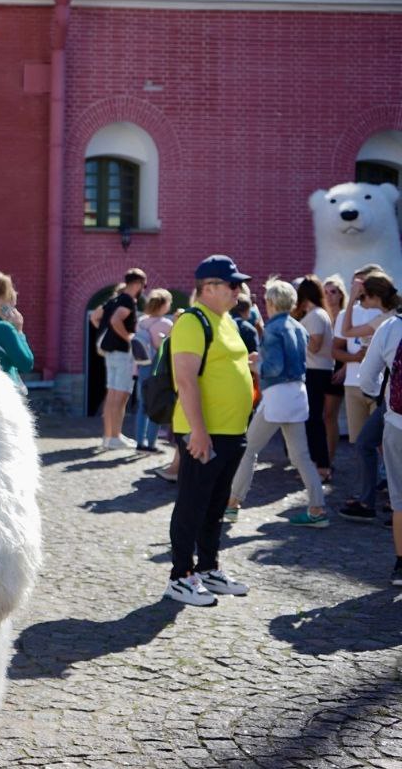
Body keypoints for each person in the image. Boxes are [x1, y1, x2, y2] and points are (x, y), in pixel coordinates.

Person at [163, 255, 255, 607]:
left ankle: (208, 567)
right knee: (192, 504)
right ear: (210, 288)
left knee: (216, 505)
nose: (240, 290)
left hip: (232, 431)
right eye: (234, 284)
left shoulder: (226, 320)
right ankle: (181, 576)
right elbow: (185, 380)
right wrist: (198, 431)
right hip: (206, 432)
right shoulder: (192, 321)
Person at [227, 278, 327, 527]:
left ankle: (232, 504)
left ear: (271, 302)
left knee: (249, 449)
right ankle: (317, 509)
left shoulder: (272, 328)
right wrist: (261, 358)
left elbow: (273, 367)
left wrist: (253, 364)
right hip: (297, 393)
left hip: (277, 396)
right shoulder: (298, 326)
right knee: (302, 457)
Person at [337, 272, 399, 523]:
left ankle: (373, 503)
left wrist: (350, 299)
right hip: (391, 394)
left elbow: (347, 330)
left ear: (374, 296)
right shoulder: (391, 317)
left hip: (388, 396)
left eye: (364, 297)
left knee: (367, 443)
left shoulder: (385, 322)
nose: (362, 301)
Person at [352, 305, 402, 585]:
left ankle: (401, 566)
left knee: (400, 499)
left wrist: (377, 396)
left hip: (397, 423)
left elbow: (367, 377)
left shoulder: (391, 327)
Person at [91, 268, 147, 450]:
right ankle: (115, 437)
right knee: (121, 394)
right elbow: (116, 320)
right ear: (138, 283)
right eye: (143, 285)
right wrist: (127, 338)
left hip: (109, 352)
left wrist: (106, 333)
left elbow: (94, 317)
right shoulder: (128, 300)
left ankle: (109, 437)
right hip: (122, 352)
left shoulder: (113, 299)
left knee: (112, 394)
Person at [333, 264, 383, 446]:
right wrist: (353, 359)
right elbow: (336, 349)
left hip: (380, 385)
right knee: (358, 441)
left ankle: (385, 473)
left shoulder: (384, 312)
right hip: (353, 385)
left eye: (362, 282)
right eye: (355, 282)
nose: (358, 286)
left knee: (381, 441)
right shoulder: (345, 314)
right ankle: (364, 474)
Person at [294, 276, 335, 481]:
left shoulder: (316, 315)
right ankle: (317, 465)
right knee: (312, 420)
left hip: (316, 371)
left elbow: (315, 345)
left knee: (313, 421)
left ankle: (321, 467)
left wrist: (298, 334)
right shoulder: (318, 314)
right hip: (317, 370)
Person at [133, 289, 175, 452]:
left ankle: (139, 442)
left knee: (142, 405)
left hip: (142, 367)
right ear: (163, 304)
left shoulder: (141, 321)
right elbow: (164, 347)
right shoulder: (166, 324)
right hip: (158, 370)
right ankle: (150, 443)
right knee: (156, 404)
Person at [322, 275, 347, 467]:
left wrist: (346, 368)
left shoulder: (346, 316)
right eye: (326, 292)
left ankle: (329, 459)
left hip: (339, 369)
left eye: (333, 292)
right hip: (321, 369)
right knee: (320, 416)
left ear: (341, 294)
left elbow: (354, 346)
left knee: (330, 416)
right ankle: (321, 457)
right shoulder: (322, 316)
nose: (329, 296)